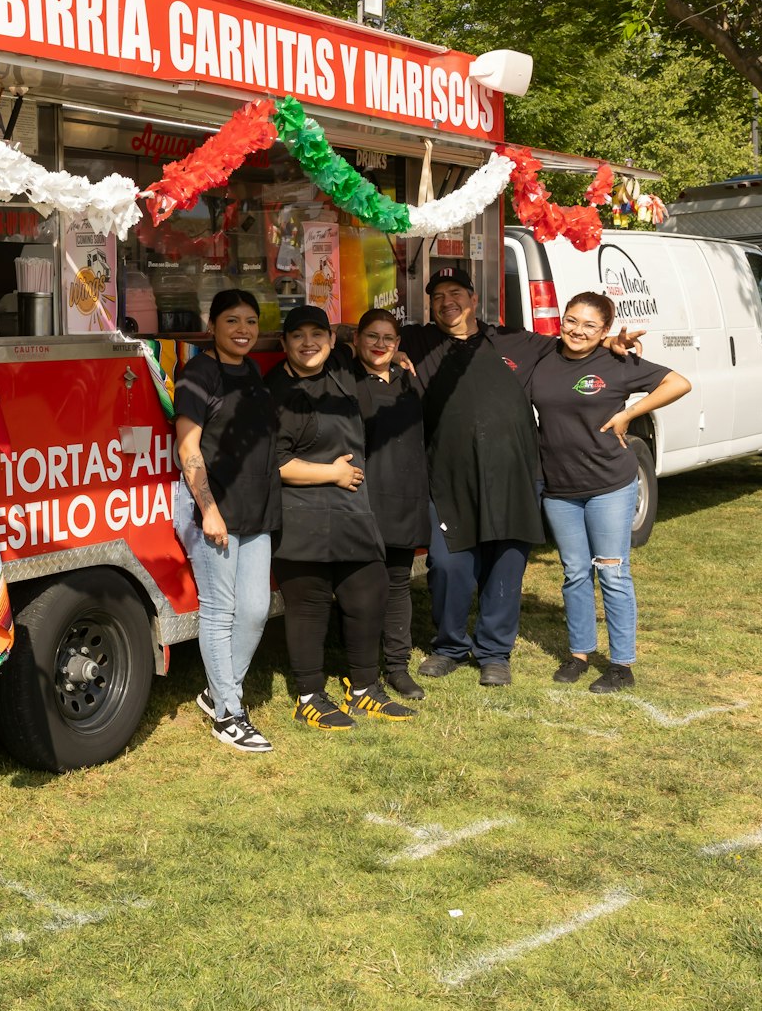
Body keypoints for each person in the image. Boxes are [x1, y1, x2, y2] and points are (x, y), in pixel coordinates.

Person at [398, 265, 638, 687]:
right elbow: (364, 335)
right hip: (448, 478)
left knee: (505, 567)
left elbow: (574, 348)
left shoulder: (517, 342)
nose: (447, 302)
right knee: (448, 565)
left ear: (474, 299)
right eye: (438, 296)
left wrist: (612, 345)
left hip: (514, 476)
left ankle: (494, 652)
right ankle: (449, 646)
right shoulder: (417, 341)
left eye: (456, 293)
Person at [529, 293, 691, 692]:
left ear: (604, 330)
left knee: (613, 573)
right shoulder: (544, 357)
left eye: (589, 326)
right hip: (560, 488)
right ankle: (579, 654)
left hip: (609, 486)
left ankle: (621, 664)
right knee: (575, 573)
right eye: (571, 320)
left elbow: (678, 382)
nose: (576, 331)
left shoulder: (617, 363)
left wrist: (629, 414)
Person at [264, 304, 416, 729]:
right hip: (302, 515)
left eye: (318, 334)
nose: (308, 343)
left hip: (351, 510)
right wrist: (329, 472)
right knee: (309, 606)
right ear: (284, 343)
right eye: (298, 336)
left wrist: (396, 355)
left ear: (333, 342)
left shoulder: (340, 370)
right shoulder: (278, 391)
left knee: (368, 592)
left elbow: (370, 334)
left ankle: (364, 688)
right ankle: (309, 694)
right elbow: (275, 463)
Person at [172, 289, 283, 752]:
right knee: (220, 612)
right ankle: (229, 715)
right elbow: (188, 447)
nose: (243, 330)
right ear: (212, 325)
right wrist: (209, 509)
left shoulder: (253, 370)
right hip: (214, 510)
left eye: (250, 321)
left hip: (254, 507)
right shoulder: (199, 373)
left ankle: (218, 691)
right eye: (232, 321)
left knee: (256, 609)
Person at [352, 308, 430, 701]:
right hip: (365, 500)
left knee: (399, 585)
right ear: (357, 340)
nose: (380, 345)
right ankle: (363, 672)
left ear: (398, 344)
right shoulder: (347, 381)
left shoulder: (409, 379)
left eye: (388, 339)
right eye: (372, 336)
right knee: (366, 590)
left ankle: (398, 667)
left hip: (406, 498)